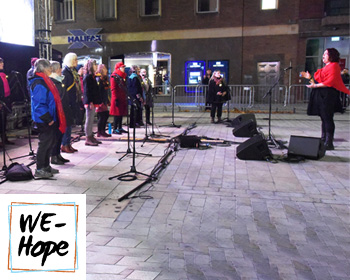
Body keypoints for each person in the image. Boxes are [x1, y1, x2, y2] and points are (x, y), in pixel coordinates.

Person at [300, 48, 350, 150]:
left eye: (325, 54)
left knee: (327, 118)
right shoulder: (327, 67)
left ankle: (329, 142)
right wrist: (310, 78)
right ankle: (323, 139)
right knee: (324, 118)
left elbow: (329, 82)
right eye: (323, 54)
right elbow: (318, 81)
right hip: (322, 94)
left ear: (331, 56)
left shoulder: (334, 66)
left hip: (328, 95)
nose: (323, 56)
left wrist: (314, 86)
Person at [28, 59, 66, 178]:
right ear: (43, 68)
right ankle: (40, 169)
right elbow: (39, 104)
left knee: (50, 142)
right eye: (49, 66)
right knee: (44, 143)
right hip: (43, 119)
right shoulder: (39, 82)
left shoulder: (45, 80)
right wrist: (48, 118)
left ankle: (46, 166)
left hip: (50, 117)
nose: (51, 68)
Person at [49, 61, 72, 165]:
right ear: (55, 69)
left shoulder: (59, 80)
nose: (61, 69)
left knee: (60, 134)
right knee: (56, 135)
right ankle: (54, 156)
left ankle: (58, 155)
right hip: (58, 112)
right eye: (59, 68)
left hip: (63, 111)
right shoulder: (53, 81)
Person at [62, 53, 79, 153]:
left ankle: (68, 143)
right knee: (67, 125)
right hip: (67, 102)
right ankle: (65, 144)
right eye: (75, 60)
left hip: (72, 101)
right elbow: (65, 90)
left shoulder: (72, 71)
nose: (77, 62)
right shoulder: (65, 72)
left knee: (70, 124)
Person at [83, 59, 101, 146]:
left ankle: (90, 136)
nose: (96, 66)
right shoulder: (88, 77)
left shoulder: (92, 76)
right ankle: (87, 137)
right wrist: (90, 102)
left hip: (93, 101)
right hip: (90, 102)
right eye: (94, 65)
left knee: (91, 120)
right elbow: (87, 91)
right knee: (89, 119)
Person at [109, 62, 128, 134]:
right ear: (118, 68)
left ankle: (120, 127)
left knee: (121, 113)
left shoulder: (122, 76)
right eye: (122, 67)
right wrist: (115, 98)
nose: (124, 69)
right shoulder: (114, 76)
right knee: (117, 114)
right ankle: (115, 128)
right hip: (117, 98)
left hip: (122, 97)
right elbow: (113, 89)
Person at [0, 57, 14, 146]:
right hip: (0, 100)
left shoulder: (3, 75)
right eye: (0, 63)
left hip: (5, 99)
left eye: (2, 63)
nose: (2, 64)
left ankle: (4, 138)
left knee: (4, 120)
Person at [95, 64, 111, 137]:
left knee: (105, 115)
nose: (106, 70)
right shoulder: (99, 79)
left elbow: (106, 90)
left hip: (104, 100)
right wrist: (100, 102)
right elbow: (98, 91)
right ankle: (100, 131)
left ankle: (102, 130)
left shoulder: (105, 79)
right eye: (104, 69)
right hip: (100, 101)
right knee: (102, 116)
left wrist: (107, 100)